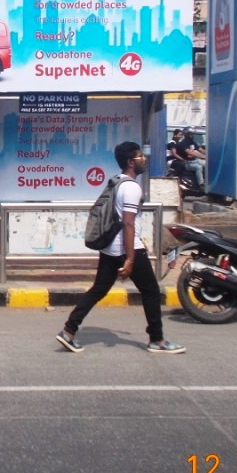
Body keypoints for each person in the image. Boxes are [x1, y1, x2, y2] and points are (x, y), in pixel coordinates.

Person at [56, 141, 185, 354]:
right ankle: (157, 340)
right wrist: (130, 259)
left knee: (99, 289)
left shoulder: (117, 182)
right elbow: (128, 223)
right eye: (139, 157)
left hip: (110, 248)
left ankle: (68, 331)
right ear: (130, 162)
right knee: (151, 291)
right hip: (126, 249)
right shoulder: (132, 188)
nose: (144, 159)